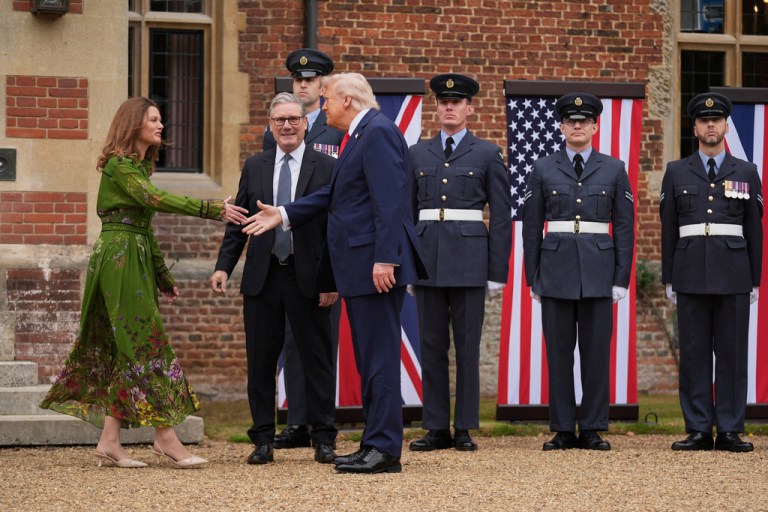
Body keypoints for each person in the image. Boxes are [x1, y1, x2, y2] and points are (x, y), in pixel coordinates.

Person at [39, 96, 249, 468]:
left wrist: (161, 273)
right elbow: (155, 199)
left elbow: (145, 225)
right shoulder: (120, 166)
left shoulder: (137, 168)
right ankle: (166, 438)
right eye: (154, 119)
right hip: (118, 257)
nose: (161, 125)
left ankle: (109, 441)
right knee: (146, 343)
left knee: (128, 347)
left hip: (131, 256)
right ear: (134, 123)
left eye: (161, 119)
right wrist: (212, 208)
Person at [242, 72, 427, 474]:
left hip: (374, 268)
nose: (322, 107)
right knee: (369, 360)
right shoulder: (360, 135)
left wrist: (386, 258)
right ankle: (373, 443)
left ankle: (384, 449)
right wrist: (284, 214)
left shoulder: (376, 133)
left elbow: (390, 200)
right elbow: (335, 194)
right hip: (359, 269)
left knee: (377, 359)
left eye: (325, 100)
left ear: (346, 100)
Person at [210, 92, 338, 465]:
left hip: (310, 278)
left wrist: (330, 280)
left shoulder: (326, 167)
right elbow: (240, 223)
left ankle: (324, 438)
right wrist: (223, 266)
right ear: (270, 125)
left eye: (293, 120)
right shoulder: (256, 166)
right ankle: (263, 439)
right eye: (279, 120)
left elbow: (334, 229)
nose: (286, 126)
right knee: (260, 361)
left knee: (317, 360)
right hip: (263, 278)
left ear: (305, 124)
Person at [522, 92, 634, 452]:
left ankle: (593, 427)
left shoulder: (614, 168)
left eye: (583, 121)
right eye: (571, 121)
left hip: (600, 272)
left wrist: (621, 278)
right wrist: (533, 278)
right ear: (561, 126)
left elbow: (625, 227)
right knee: (558, 354)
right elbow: (531, 227)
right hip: (555, 272)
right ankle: (562, 428)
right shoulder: (543, 168)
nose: (577, 126)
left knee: (596, 353)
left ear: (595, 126)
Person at [408, 74, 511, 453]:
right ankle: (435, 426)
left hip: (470, 262)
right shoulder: (417, 153)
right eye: (443, 101)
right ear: (436, 108)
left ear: (470, 108)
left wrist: (497, 271)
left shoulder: (487, 153)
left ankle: (464, 426)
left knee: (467, 347)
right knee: (431, 346)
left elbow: (501, 215)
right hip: (427, 260)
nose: (449, 106)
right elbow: (407, 212)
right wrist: (406, 265)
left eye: (457, 101)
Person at [660, 92, 763, 452]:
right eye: (704, 121)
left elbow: (754, 229)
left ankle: (731, 428)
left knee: (733, 354)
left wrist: (754, 280)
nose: (710, 126)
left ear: (725, 126)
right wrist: (669, 277)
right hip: (689, 272)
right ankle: (699, 428)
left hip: (734, 273)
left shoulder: (747, 172)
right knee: (694, 352)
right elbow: (668, 227)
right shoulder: (676, 172)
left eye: (716, 120)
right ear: (695, 128)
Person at [264, 48, 345, 450]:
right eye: (298, 79)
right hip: (284, 255)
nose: (303, 84)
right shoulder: (277, 127)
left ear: (323, 86)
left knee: (320, 346)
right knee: (291, 345)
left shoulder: (337, 130)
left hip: (322, 252)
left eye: (311, 80)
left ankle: (321, 424)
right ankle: (296, 421)